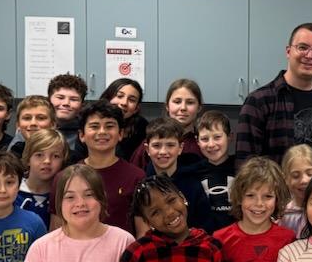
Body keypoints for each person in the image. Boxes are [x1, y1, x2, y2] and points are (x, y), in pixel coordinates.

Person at [235, 22, 312, 167]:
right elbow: (246, 167)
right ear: (288, 51)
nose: (310, 55)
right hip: (278, 183)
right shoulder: (259, 102)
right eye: (302, 47)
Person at [74, 101, 145, 234]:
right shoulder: (67, 178)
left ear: (120, 134)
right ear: (81, 135)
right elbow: (57, 229)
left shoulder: (137, 177)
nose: (102, 132)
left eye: (109, 126)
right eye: (94, 126)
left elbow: (143, 232)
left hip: (125, 247)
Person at [137, 117, 213, 233]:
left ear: (180, 148)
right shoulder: (141, 185)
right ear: (147, 149)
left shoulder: (194, 184)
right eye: (156, 146)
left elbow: (205, 226)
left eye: (170, 145)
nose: (163, 152)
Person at [16, 128, 67, 229]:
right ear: (28, 159)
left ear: (63, 161)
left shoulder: (64, 195)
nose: (47, 161)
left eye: (55, 156)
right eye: (39, 155)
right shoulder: (13, 192)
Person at [196, 109, 236, 229]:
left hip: (236, 235)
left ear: (230, 137)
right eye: (205, 139)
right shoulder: (194, 172)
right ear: (197, 141)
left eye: (217, 137)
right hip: (205, 236)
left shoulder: (241, 168)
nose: (211, 144)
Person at [279, 144, 312, 237]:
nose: (304, 180)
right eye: (296, 176)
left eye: (310, 174)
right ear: (285, 179)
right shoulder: (284, 217)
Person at [99, 78, 146, 162]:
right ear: (107, 98)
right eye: (120, 96)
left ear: (136, 109)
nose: (124, 103)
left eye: (132, 100)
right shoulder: (90, 122)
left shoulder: (142, 128)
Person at [46, 73, 88, 157]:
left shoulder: (86, 132)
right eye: (60, 98)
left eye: (73, 99)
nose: (66, 103)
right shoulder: (37, 127)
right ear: (48, 100)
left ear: (82, 105)